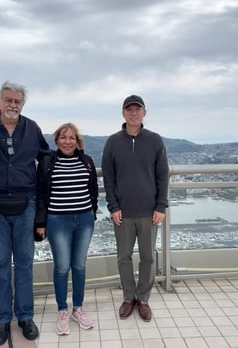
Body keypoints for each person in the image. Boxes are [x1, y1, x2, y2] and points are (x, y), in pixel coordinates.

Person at [0, 81, 49, 345]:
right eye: (8, 100)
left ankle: (25, 316)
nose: (12, 105)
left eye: (17, 101)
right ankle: (2, 320)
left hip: (26, 202)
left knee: (25, 263)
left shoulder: (32, 128)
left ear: (22, 105)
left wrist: (77, 158)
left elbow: (46, 157)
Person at [101, 95, 169, 322]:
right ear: (123, 114)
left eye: (137, 110)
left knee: (148, 257)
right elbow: (108, 179)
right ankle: (129, 297)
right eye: (129, 110)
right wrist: (113, 206)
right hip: (123, 213)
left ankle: (144, 298)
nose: (133, 113)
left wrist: (161, 206)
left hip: (150, 212)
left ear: (144, 113)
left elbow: (162, 176)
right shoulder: (113, 142)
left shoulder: (155, 140)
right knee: (124, 257)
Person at [35, 123, 98, 335]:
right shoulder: (47, 162)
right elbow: (41, 194)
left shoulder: (86, 161)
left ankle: (77, 308)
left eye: (71, 138)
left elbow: (93, 191)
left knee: (79, 265)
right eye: (63, 137)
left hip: (84, 219)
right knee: (62, 267)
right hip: (57, 221)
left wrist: (92, 214)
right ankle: (62, 310)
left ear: (77, 140)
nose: (67, 141)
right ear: (57, 140)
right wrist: (41, 223)